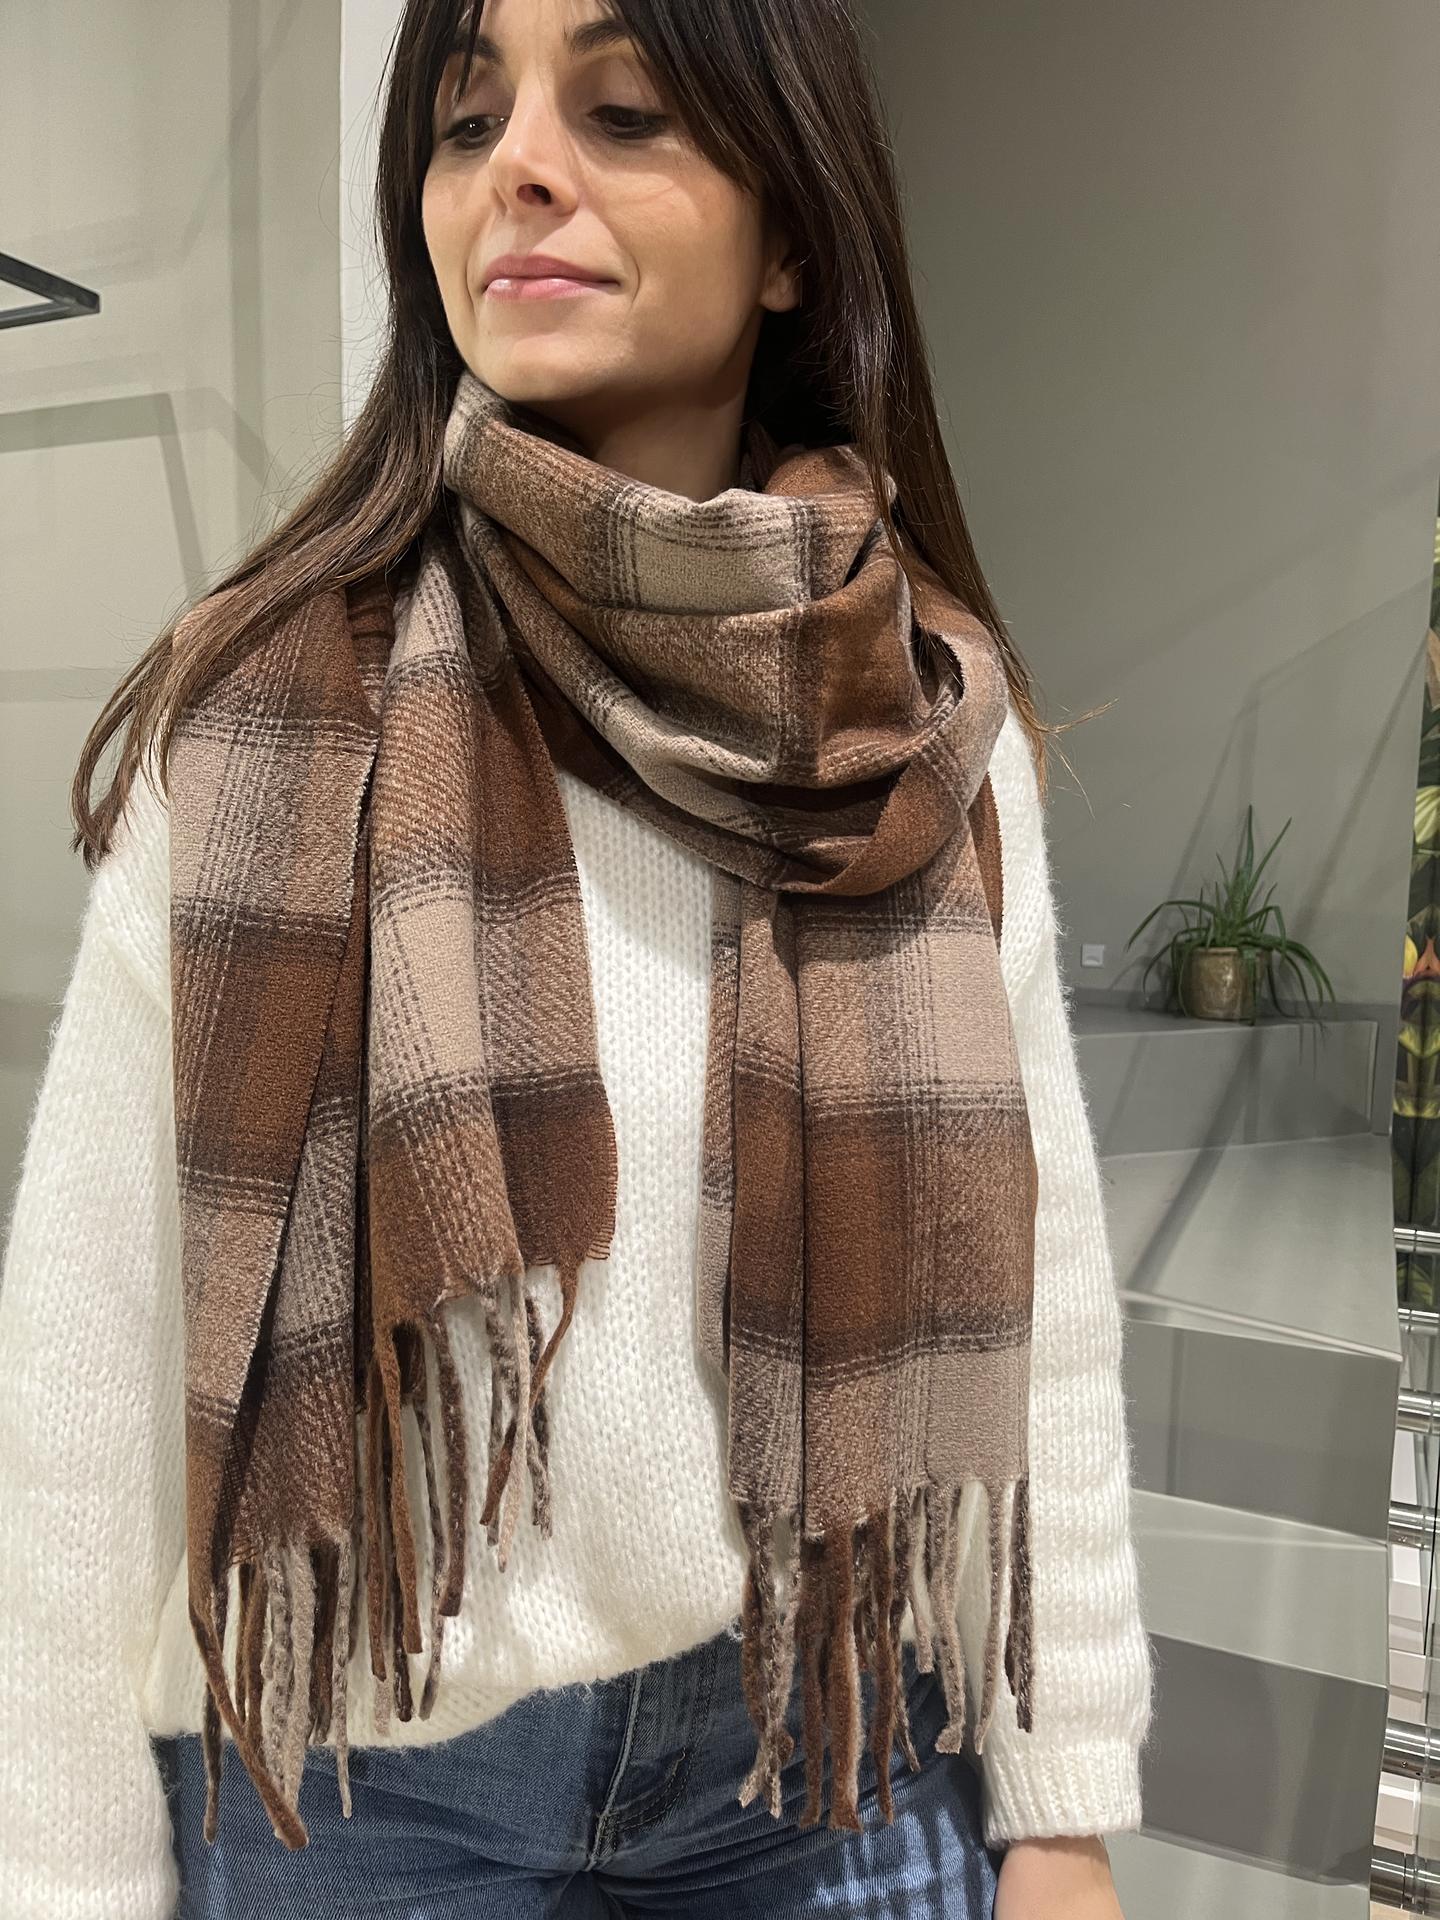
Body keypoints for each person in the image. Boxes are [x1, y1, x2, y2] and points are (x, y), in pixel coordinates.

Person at [0, 0, 1154, 1915]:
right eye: (468, 123)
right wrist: (62, 1873)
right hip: (356, 1784)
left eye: (621, 109)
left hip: (821, 1728)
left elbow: (1035, 1301)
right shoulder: (269, 720)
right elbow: (85, 1360)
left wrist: (1063, 1807)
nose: (519, 168)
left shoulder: (921, 724)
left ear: (791, 239)